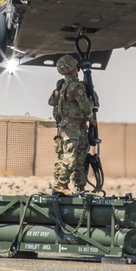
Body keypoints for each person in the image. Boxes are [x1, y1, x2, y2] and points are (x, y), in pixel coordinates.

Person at [48, 54, 96, 194]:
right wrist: (91, 118)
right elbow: (85, 105)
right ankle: (60, 185)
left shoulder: (63, 86)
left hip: (71, 126)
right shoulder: (76, 86)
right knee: (71, 156)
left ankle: (80, 185)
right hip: (73, 127)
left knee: (80, 156)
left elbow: (51, 102)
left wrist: (57, 91)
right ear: (73, 67)